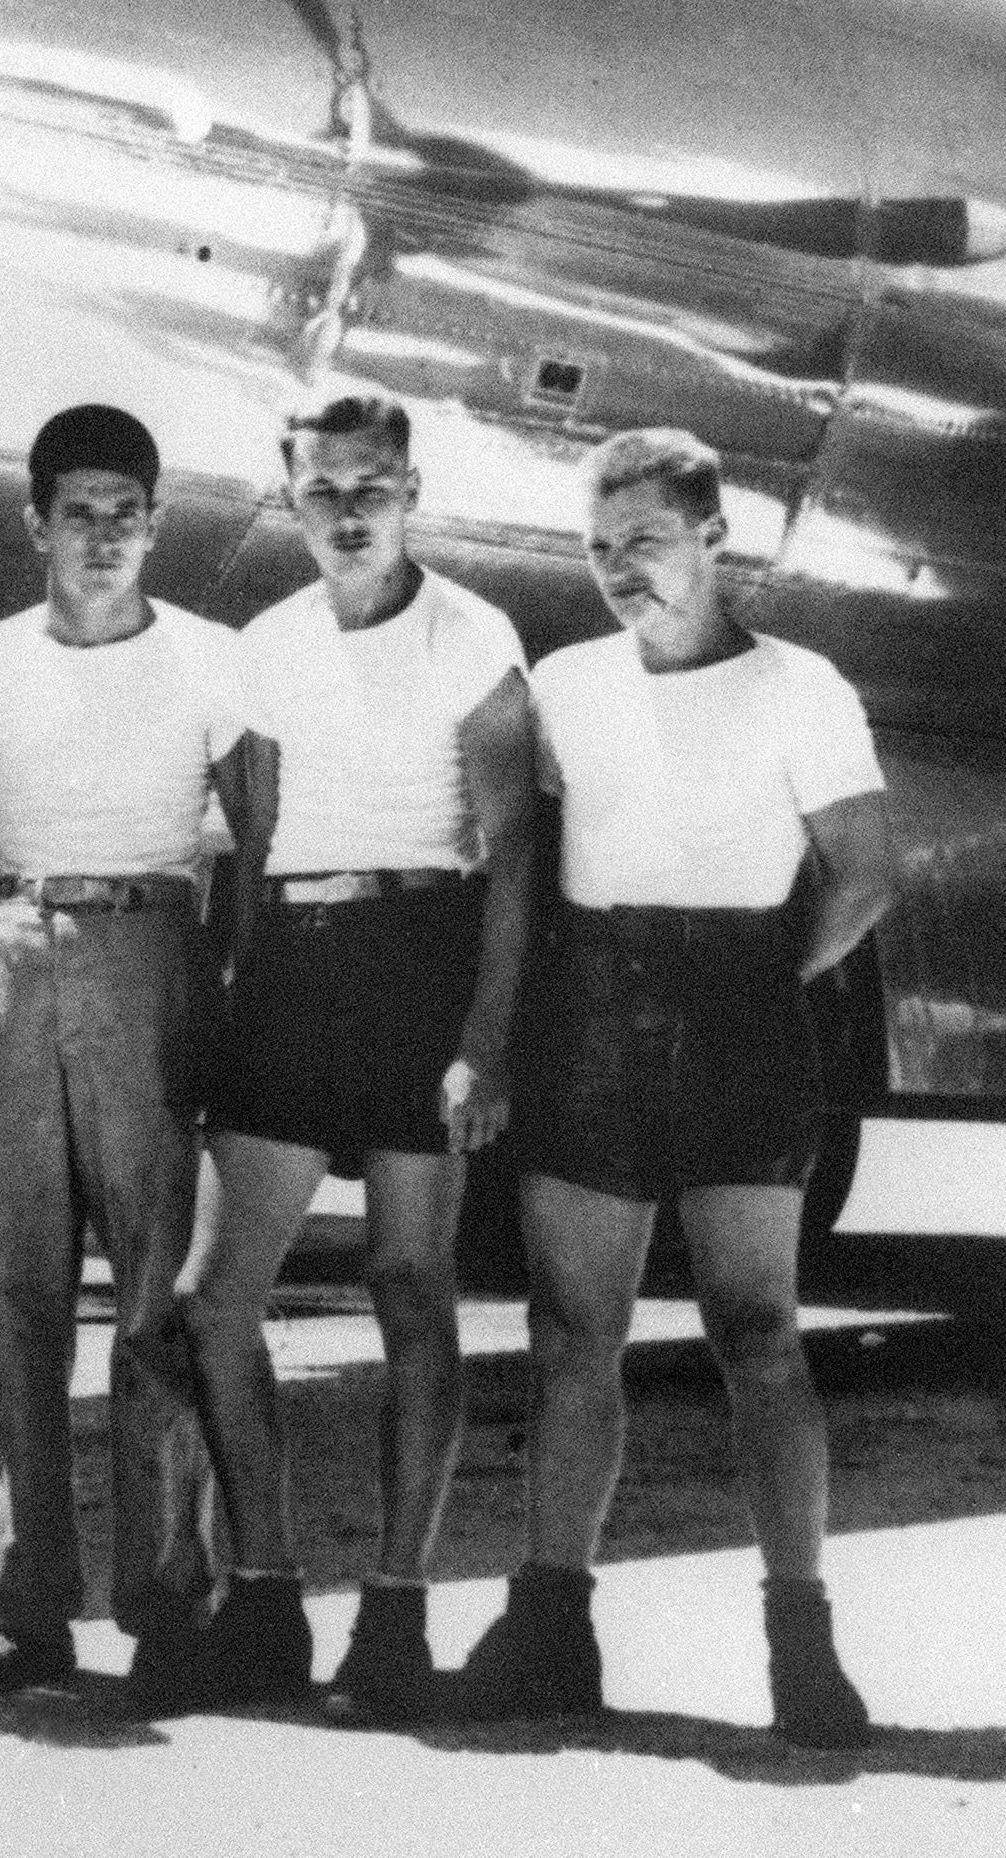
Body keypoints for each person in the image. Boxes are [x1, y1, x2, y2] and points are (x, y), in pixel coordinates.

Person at [457, 429, 892, 1748]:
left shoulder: (799, 684)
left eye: (642, 541)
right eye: (598, 549)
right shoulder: (564, 685)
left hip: (740, 1015)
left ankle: (800, 1645)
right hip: (587, 1010)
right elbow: (519, 866)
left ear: (716, 537)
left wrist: (764, 974)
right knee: (570, 1330)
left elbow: (864, 872)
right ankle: (549, 1628)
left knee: (758, 1332)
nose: (617, 571)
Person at [180, 392, 537, 1719]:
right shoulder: (262, 642)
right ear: (289, 489)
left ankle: (395, 1613)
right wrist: (232, 984)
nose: (346, 509)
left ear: (410, 494)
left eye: (371, 487)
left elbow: (511, 852)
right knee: (210, 1304)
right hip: (293, 960)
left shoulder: (470, 633)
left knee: (408, 1284)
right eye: (323, 485)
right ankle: (263, 1595)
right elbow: (251, 829)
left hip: (422, 950)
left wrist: (484, 1040)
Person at [0, 407, 244, 1705]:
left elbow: (254, 847)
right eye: (78, 512)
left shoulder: (212, 661)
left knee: (158, 1299)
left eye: (126, 512)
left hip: (154, 948)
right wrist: (21, 940)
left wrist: (191, 984)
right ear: (36, 522)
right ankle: (26, 1612)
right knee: (18, 1302)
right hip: (17, 959)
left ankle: (171, 1605)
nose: (103, 536)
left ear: (156, 522)